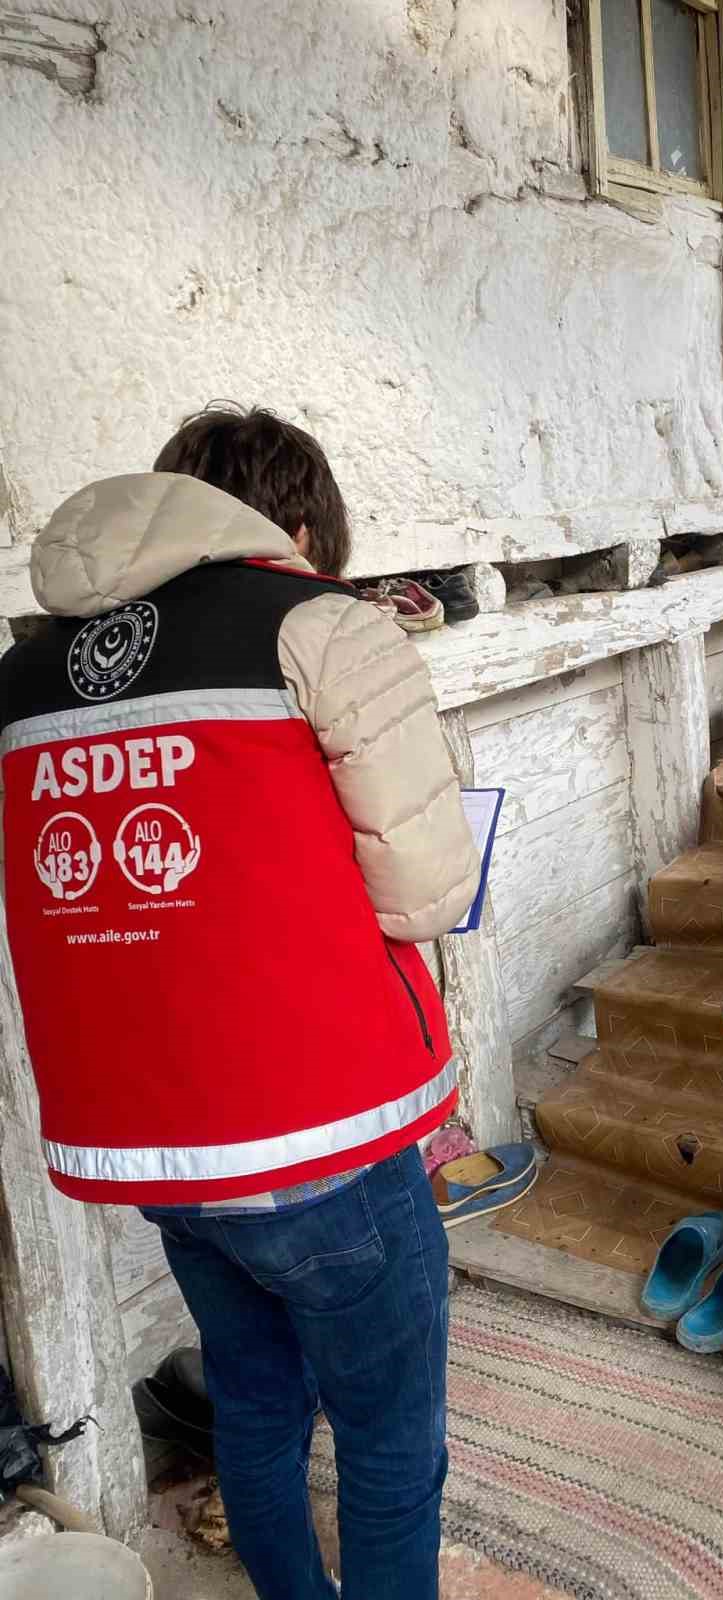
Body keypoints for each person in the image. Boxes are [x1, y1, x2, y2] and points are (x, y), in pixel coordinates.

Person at [0, 405, 481, 1600]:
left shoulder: (21, 675)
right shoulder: (318, 624)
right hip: (318, 1131)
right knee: (387, 1433)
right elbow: (429, 893)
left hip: (154, 1149)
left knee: (258, 1400)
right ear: (299, 520)